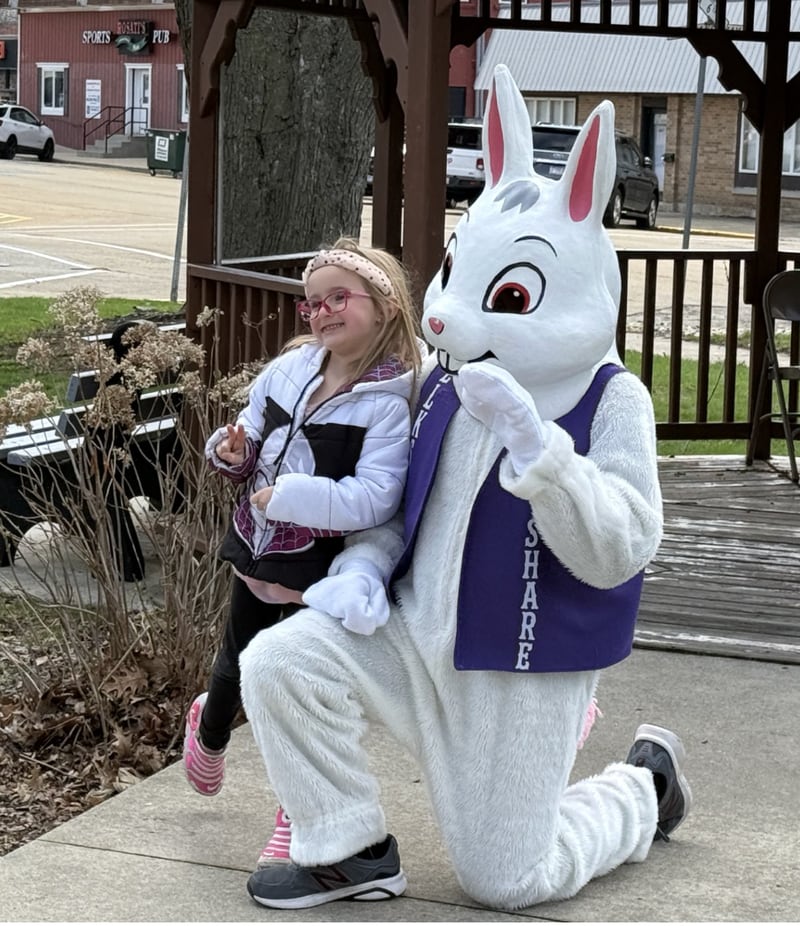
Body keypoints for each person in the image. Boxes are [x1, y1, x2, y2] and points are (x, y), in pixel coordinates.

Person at [238, 66, 691, 912]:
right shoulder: (444, 384)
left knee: (509, 881)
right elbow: (404, 507)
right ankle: (347, 847)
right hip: (415, 636)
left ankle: (642, 792)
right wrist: (365, 567)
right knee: (278, 663)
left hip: (521, 666)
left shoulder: (610, 399)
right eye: (455, 274)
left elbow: (622, 548)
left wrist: (541, 453)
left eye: (509, 294)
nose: (443, 316)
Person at [182, 237, 423, 867]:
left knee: (297, 691)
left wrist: (290, 495)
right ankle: (208, 731)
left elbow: (375, 497)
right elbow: (246, 433)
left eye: (338, 298)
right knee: (235, 662)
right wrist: (228, 452)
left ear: (387, 304)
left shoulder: (391, 400)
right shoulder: (289, 370)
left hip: (319, 567)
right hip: (259, 548)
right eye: (311, 304)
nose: (321, 313)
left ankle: (296, 812)